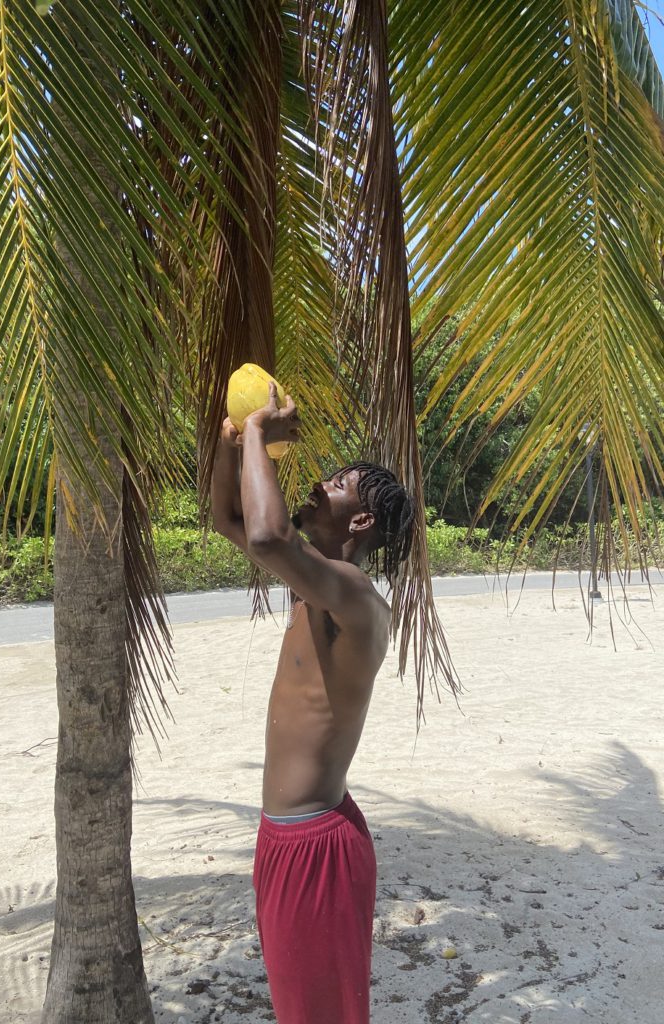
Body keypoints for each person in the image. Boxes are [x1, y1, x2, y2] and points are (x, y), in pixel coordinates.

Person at [210, 382, 415, 1024]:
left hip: (314, 847)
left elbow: (267, 538)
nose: (319, 485)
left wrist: (257, 433)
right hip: (289, 837)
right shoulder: (316, 588)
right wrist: (229, 443)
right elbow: (230, 520)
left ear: (361, 521)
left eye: (336, 485)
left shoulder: (355, 599)